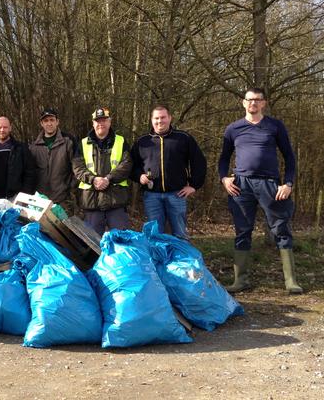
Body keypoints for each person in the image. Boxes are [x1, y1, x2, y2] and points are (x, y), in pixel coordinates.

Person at [218, 87, 302, 294]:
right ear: (243, 103)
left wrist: (288, 183)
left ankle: (291, 281)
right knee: (242, 231)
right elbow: (223, 158)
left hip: (270, 185)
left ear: (263, 103)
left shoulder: (275, 126)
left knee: (281, 230)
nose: (253, 103)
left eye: (257, 100)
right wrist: (224, 179)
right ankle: (240, 281)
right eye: (249, 100)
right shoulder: (233, 129)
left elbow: (290, 158)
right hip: (241, 186)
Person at [131, 104, 207, 240]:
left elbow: (199, 162)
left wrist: (194, 185)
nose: (160, 121)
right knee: (154, 235)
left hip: (177, 194)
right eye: (156, 118)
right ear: (151, 120)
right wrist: (139, 176)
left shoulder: (183, 138)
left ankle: (182, 260)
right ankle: (156, 260)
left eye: (163, 117)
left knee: (180, 234)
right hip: (151, 195)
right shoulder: (142, 142)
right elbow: (131, 165)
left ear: (170, 118)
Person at [72, 107, 132, 234]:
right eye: (98, 121)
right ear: (93, 123)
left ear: (110, 122)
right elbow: (77, 167)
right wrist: (93, 179)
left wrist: (108, 178)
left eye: (104, 120)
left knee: (122, 243)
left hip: (116, 201)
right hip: (91, 202)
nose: (101, 123)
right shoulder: (82, 143)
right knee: (92, 245)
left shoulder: (121, 141)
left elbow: (127, 164)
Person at [29, 108, 78, 209]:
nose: (49, 123)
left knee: (63, 225)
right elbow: (31, 173)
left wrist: (71, 189)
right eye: (46, 121)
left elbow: (77, 168)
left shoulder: (68, 141)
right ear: (41, 124)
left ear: (57, 122)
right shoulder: (34, 146)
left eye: (52, 120)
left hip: (63, 200)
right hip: (41, 201)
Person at [0, 116, 37, 200]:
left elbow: (30, 173)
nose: (2, 130)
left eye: (5, 127)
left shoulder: (21, 149)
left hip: (15, 198)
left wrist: (24, 195)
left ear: (10, 128)